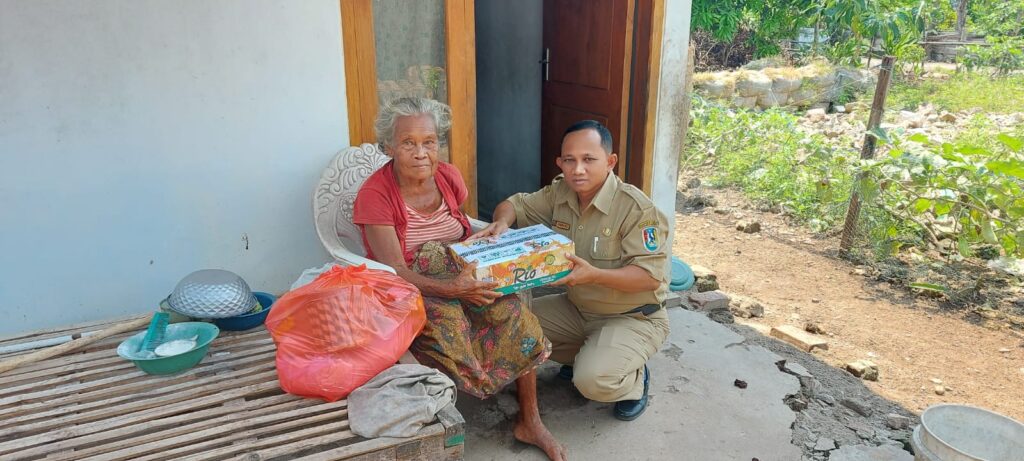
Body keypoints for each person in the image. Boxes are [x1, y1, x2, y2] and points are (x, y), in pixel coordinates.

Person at [352, 97, 566, 461]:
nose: (421, 153)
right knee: (449, 326)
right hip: (410, 285)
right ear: (389, 146)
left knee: (512, 313)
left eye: (429, 142)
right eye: (408, 143)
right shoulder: (375, 196)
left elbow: (461, 229)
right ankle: (444, 421)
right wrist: (453, 290)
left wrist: (486, 245)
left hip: (460, 269)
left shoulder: (449, 176)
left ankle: (530, 419)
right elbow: (395, 271)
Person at [471, 120, 671, 421]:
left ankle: (633, 379)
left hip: (633, 316)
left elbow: (650, 277)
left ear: (610, 161)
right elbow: (514, 204)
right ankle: (589, 354)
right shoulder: (560, 191)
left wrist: (595, 275)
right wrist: (501, 222)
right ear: (560, 162)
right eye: (570, 160)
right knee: (505, 326)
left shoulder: (637, 210)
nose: (578, 169)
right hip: (577, 308)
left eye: (589, 159)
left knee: (592, 381)